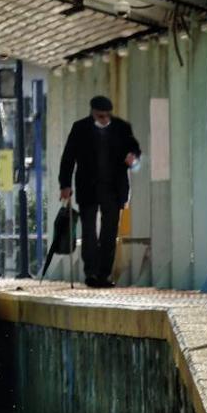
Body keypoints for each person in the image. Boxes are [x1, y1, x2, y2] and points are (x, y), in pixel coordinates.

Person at [58, 95, 141, 288]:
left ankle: (104, 274)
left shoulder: (122, 128)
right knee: (89, 232)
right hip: (88, 188)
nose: (103, 119)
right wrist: (65, 185)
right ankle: (91, 273)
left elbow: (135, 149)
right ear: (92, 112)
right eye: (99, 115)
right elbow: (68, 158)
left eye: (106, 116)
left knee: (109, 233)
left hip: (113, 188)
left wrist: (133, 156)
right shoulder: (80, 128)